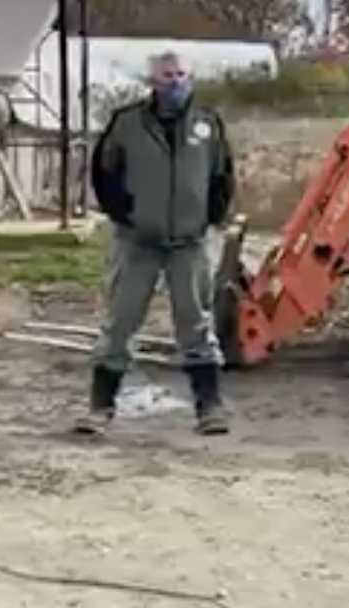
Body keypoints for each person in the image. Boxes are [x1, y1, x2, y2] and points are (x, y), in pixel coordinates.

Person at [77, 50, 237, 436]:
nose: (175, 82)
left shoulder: (207, 123)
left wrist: (210, 219)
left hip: (190, 241)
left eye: (181, 75)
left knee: (196, 325)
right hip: (138, 241)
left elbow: (222, 175)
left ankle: (209, 408)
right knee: (120, 323)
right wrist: (124, 213)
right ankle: (100, 408)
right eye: (167, 76)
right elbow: (104, 172)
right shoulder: (127, 124)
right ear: (152, 81)